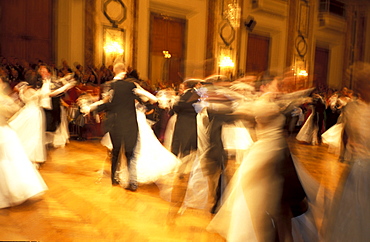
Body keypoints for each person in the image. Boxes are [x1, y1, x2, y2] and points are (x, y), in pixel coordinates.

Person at [207, 77, 308, 242]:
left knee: (282, 207)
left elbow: (290, 101)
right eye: (278, 85)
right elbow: (239, 113)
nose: (280, 90)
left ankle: (280, 235)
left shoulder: (275, 103)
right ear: (265, 86)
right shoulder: (259, 105)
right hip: (265, 156)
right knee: (261, 202)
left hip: (281, 157)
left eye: (281, 86)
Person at [86, 63, 156, 191]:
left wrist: (91, 108)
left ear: (114, 71)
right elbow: (149, 102)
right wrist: (143, 95)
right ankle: (132, 182)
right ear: (124, 72)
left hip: (115, 124)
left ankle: (114, 179)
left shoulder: (109, 86)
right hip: (130, 125)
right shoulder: (131, 86)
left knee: (116, 152)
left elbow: (105, 104)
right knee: (130, 154)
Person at [321, 62, 370, 242]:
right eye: (363, 84)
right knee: (354, 210)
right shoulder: (352, 108)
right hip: (358, 167)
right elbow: (346, 135)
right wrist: (347, 153)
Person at [0, 76, 48, 209]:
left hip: (4, 131)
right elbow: (13, 110)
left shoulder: (4, 98)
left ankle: (14, 190)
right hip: (4, 130)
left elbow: (13, 110)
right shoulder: (4, 98)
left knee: (11, 160)